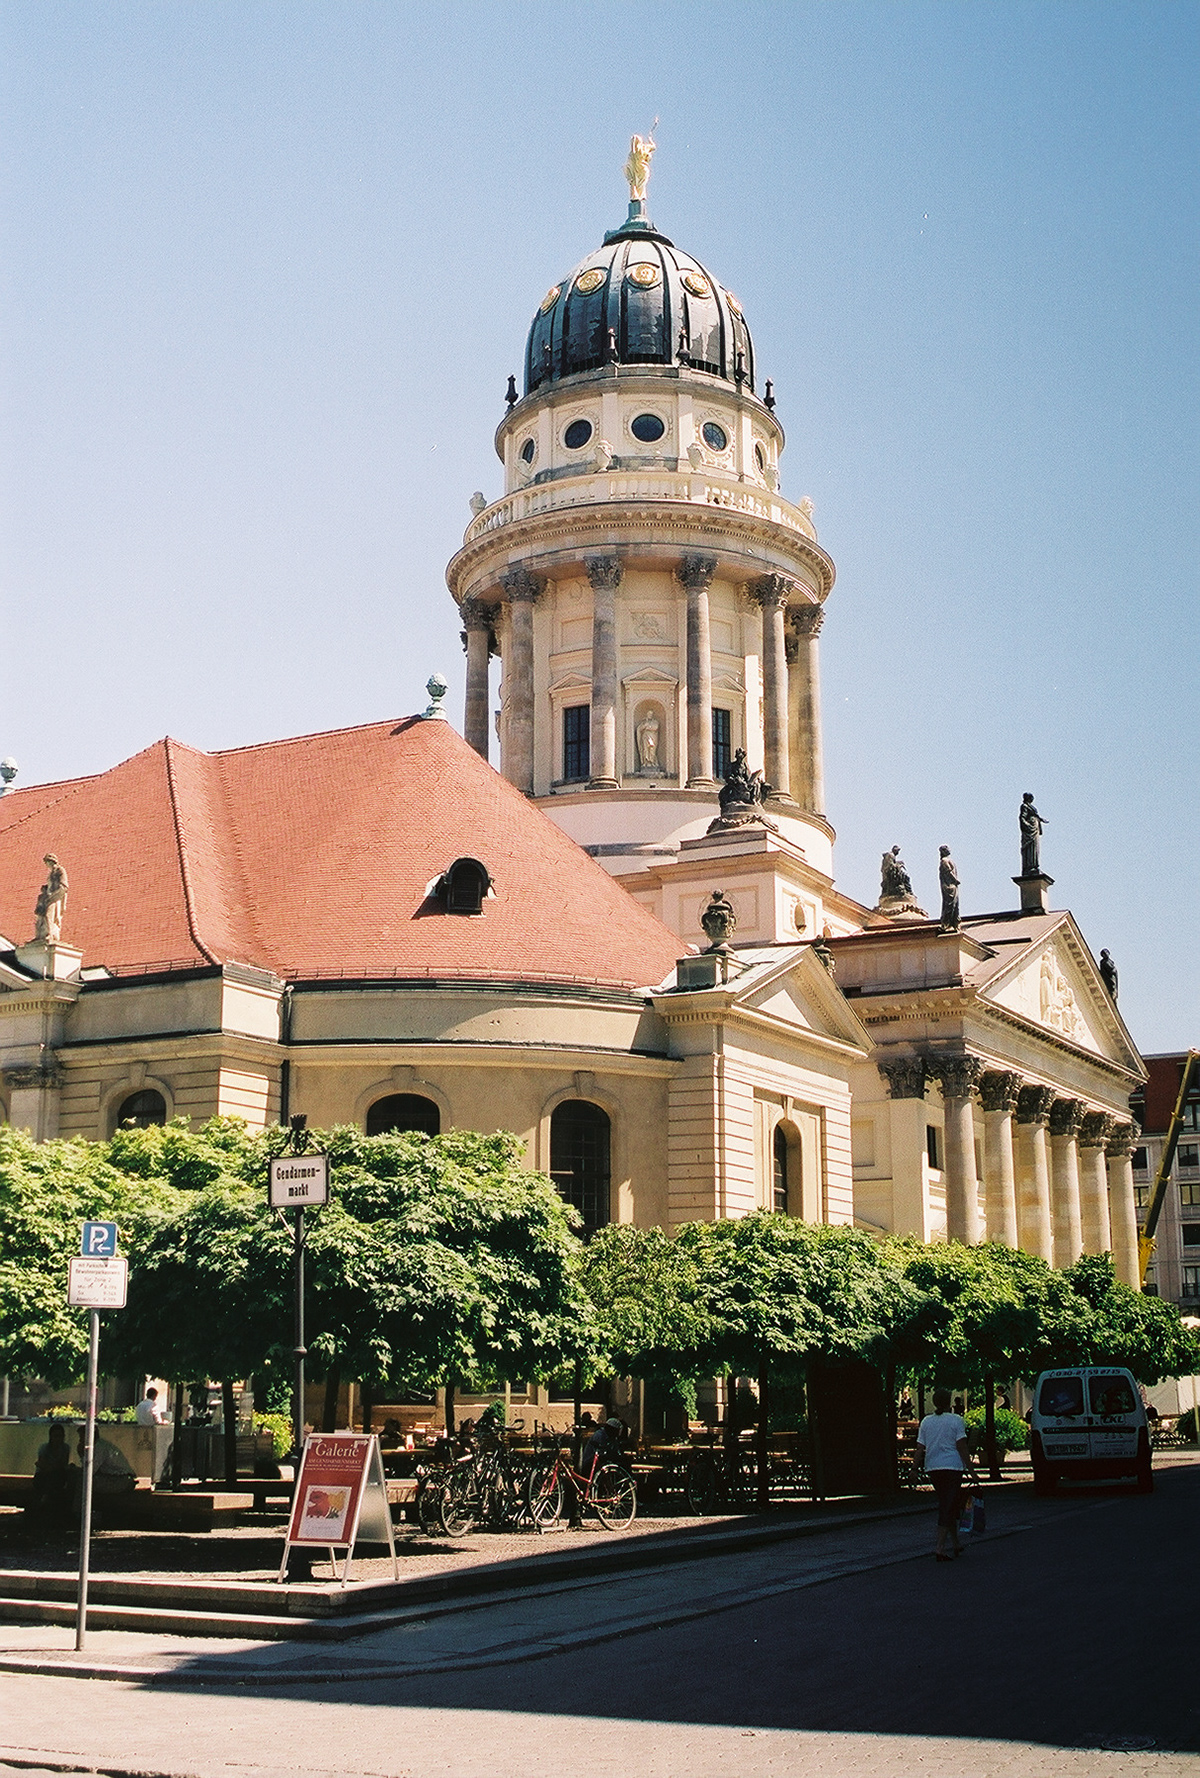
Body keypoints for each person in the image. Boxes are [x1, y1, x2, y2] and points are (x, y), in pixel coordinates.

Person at [916, 1387, 979, 1561]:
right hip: (952, 1467)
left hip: (933, 1467)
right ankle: (940, 1547)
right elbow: (962, 1447)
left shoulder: (926, 1421)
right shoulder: (956, 1420)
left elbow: (920, 1448)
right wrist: (972, 1470)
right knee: (947, 1505)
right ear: (949, 1402)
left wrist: (914, 1469)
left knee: (947, 1502)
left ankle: (956, 1543)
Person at [31, 1422, 72, 1514]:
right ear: (51, 1436)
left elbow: (63, 1465)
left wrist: (52, 1467)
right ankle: (44, 1499)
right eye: (55, 1436)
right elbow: (41, 1464)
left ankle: (45, 1499)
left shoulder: (65, 1448)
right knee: (49, 1478)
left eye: (60, 1436)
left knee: (57, 1476)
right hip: (42, 1476)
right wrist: (52, 1467)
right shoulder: (44, 1448)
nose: (58, 1439)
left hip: (57, 1476)